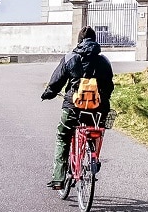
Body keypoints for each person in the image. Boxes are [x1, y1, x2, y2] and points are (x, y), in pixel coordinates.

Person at [40, 26, 114, 189]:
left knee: (63, 136)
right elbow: (109, 86)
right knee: (96, 132)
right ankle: (93, 156)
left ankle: (58, 178)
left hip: (73, 106)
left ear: (79, 41)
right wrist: (103, 100)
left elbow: (56, 82)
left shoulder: (70, 57)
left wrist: (48, 94)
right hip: (98, 109)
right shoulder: (103, 61)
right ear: (95, 41)